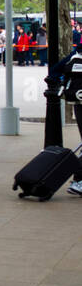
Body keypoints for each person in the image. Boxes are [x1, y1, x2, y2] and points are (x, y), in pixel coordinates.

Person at [45, 43, 82, 195]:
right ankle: (78, 181)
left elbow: (54, 72)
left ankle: (78, 180)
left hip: (79, 103)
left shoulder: (78, 52)